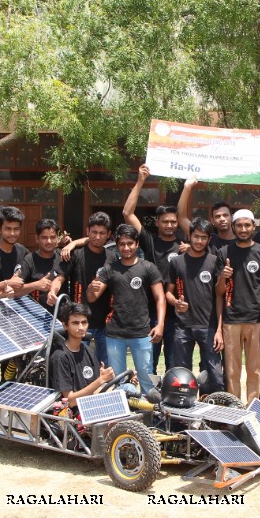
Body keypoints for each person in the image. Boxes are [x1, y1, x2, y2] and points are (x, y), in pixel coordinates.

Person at [87, 223, 165, 392]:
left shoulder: (148, 267)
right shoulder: (109, 269)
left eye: (130, 243)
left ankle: (150, 415)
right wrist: (91, 288)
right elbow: (92, 297)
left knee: (147, 376)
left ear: (137, 244)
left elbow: (160, 298)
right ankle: (123, 416)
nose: (126, 247)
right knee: (118, 379)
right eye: (122, 244)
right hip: (115, 333)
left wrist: (160, 325)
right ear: (117, 245)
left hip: (142, 332)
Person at [124, 164, 185, 372]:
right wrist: (141, 180)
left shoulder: (184, 246)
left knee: (174, 365)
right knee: (149, 364)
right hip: (150, 313)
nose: (169, 225)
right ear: (157, 222)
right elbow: (127, 212)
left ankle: (171, 400)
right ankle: (150, 400)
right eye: (165, 221)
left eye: (173, 222)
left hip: (177, 316)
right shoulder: (149, 241)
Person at [214, 210, 260, 403]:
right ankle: (234, 412)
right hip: (231, 320)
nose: (243, 229)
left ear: (254, 227)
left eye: (247, 225)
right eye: (239, 225)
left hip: (257, 320)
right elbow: (219, 292)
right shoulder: (224, 253)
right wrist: (224, 276)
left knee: (255, 370)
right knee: (231, 371)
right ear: (233, 227)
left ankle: (252, 413)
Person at [166, 218, 225, 394]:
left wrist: (219, 329)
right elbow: (167, 292)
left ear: (209, 239)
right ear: (189, 236)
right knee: (181, 376)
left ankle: (214, 415)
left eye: (203, 237)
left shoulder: (214, 261)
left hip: (208, 327)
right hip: (182, 327)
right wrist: (175, 302)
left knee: (214, 375)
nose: (199, 241)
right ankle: (183, 417)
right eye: (196, 236)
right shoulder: (176, 262)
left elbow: (220, 296)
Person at [50, 303, 138, 406]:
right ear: (65, 326)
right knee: (128, 390)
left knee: (131, 391)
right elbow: (70, 401)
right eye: (75, 323)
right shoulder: (60, 357)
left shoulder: (87, 350)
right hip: (79, 410)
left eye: (84, 322)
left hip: (95, 401)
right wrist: (101, 380)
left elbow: (97, 388)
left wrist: (125, 381)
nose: (81, 327)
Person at [66, 212, 116, 366]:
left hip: (104, 322)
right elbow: (61, 276)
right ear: (87, 231)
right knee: (78, 364)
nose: (98, 237)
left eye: (102, 233)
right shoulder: (76, 254)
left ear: (109, 235)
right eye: (94, 232)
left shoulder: (112, 258)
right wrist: (70, 243)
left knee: (105, 366)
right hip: (80, 321)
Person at [177, 176, 235, 253]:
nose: (222, 219)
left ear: (231, 217)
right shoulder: (206, 238)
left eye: (225, 215)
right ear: (212, 221)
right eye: (217, 216)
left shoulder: (241, 241)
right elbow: (181, 218)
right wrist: (187, 187)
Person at [21, 218, 68, 311]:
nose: (49, 241)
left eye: (52, 237)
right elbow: (16, 290)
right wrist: (35, 285)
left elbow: (59, 279)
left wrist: (72, 244)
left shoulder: (64, 256)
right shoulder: (29, 259)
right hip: (34, 317)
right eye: (44, 238)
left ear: (58, 238)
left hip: (61, 317)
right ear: (37, 239)